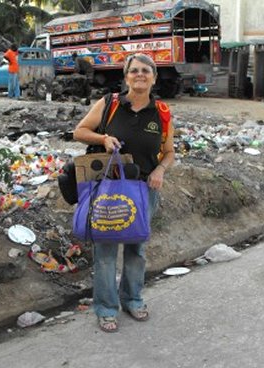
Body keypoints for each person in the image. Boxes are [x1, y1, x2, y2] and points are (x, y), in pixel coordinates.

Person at [73, 53, 175, 333]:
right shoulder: (109, 104)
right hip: (108, 188)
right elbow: (79, 131)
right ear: (126, 76)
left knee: (136, 248)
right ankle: (106, 308)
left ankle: (132, 299)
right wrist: (103, 138)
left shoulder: (163, 113)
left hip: (144, 190)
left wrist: (160, 170)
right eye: (134, 71)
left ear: (154, 78)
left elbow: (168, 153)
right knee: (105, 248)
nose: (140, 75)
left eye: (146, 71)